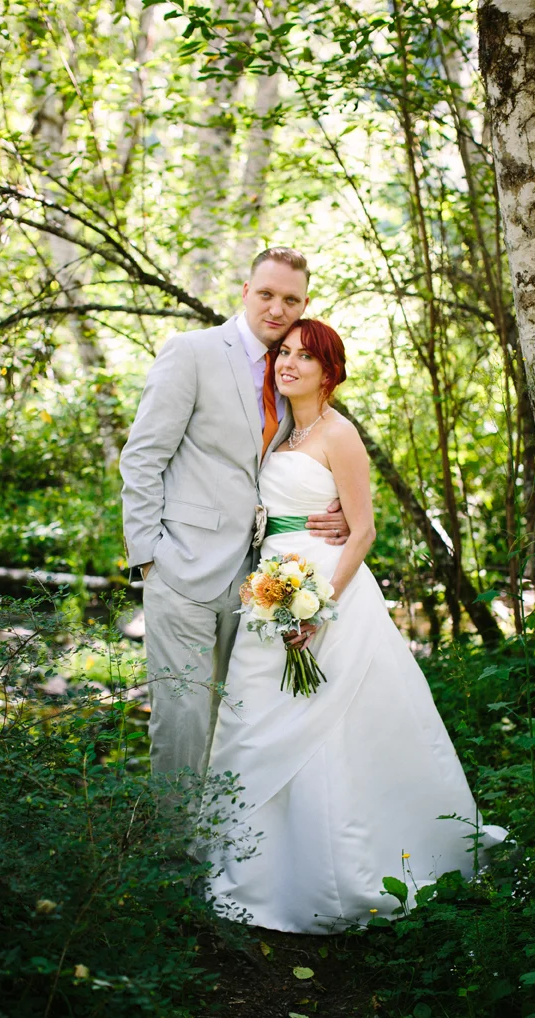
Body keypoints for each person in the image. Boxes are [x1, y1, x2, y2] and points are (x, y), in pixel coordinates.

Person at [204, 319, 507, 932]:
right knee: (258, 721)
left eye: (303, 357)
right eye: (282, 353)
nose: (287, 363)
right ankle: (260, 870)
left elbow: (362, 531)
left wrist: (320, 610)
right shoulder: (282, 431)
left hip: (324, 592)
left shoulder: (340, 435)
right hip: (271, 587)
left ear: (329, 370)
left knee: (330, 730)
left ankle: (342, 872)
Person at [119, 248, 350, 778]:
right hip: (182, 569)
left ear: (304, 303)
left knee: (236, 720)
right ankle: (171, 855)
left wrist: (335, 507)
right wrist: (149, 559)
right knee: (183, 719)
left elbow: (310, 453)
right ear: (245, 292)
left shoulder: (294, 373)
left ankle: (220, 850)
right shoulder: (191, 352)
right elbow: (143, 457)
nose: (277, 307)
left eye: (290, 299)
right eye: (266, 294)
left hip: (258, 581)